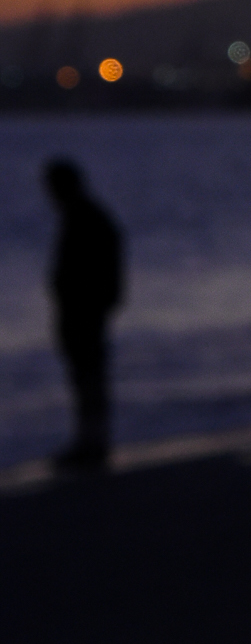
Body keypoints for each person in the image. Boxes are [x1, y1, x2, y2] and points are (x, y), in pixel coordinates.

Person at [44, 158, 125, 471]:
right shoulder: (83, 216)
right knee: (85, 377)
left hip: (85, 311)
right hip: (81, 310)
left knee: (88, 377)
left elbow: (105, 263)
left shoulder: (86, 217)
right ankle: (90, 441)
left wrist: (103, 299)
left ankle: (93, 443)